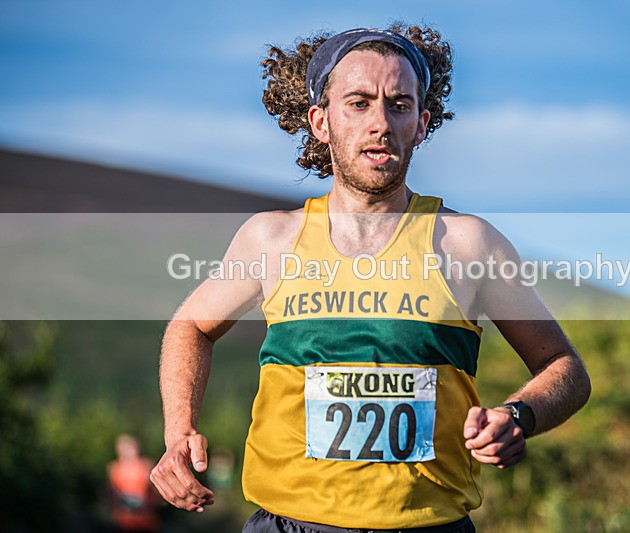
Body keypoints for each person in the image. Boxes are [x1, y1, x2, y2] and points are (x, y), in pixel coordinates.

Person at [150, 23, 591, 533]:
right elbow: (191, 326)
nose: (380, 122)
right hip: (290, 524)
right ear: (321, 121)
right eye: (358, 103)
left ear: (422, 123)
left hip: (430, 526)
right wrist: (178, 430)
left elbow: (565, 367)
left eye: (399, 105)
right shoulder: (270, 240)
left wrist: (517, 416)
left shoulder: (468, 243)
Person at [108, 434, 161, 533]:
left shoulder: (146, 466)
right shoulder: (114, 468)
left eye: (131, 447)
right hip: (123, 521)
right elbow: (113, 494)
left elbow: (156, 493)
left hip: (146, 520)